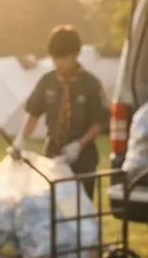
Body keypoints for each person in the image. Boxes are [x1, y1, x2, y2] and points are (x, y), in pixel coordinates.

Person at [12, 25, 108, 198]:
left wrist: (79, 145)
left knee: (80, 208)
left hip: (82, 157)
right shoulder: (47, 82)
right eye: (54, 58)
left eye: (62, 58)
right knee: (54, 207)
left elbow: (99, 121)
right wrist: (21, 138)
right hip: (53, 154)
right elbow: (33, 112)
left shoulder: (90, 84)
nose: (57, 63)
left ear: (74, 55)